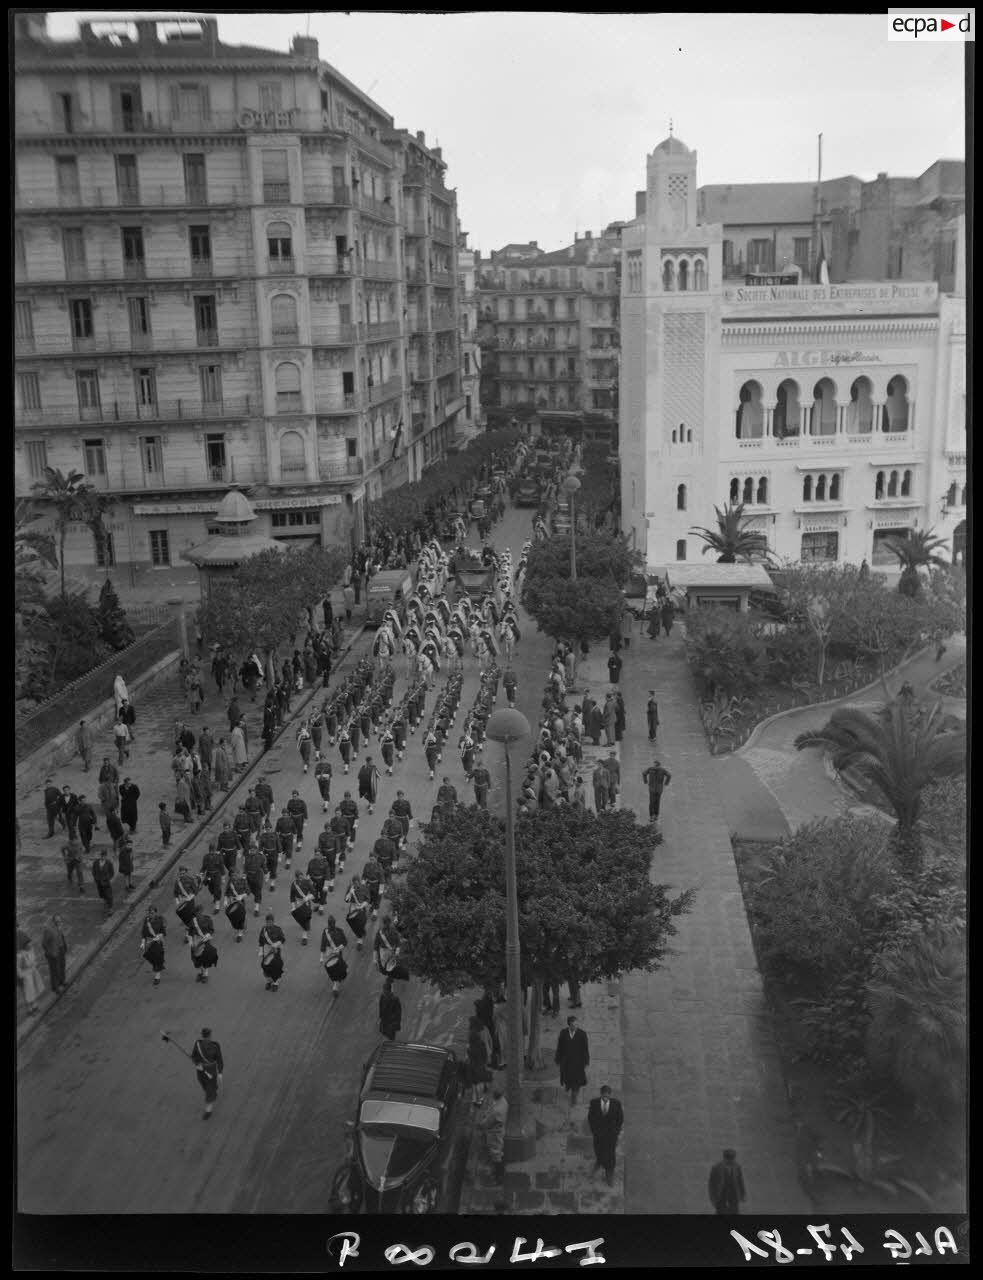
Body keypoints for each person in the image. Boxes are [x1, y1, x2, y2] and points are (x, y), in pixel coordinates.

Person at [587, 1085, 624, 1185]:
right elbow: (590, 1118)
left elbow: (620, 1119)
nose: (605, 1098)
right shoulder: (594, 1103)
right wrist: (594, 1131)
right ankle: (599, 1162)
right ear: (601, 1094)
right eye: (604, 1096)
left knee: (610, 1154)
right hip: (598, 1135)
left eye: (607, 1096)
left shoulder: (616, 1104)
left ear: (610, 1095)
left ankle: (609, 1173)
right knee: (598, 1150)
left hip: (611, 1136)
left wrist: (616, 1132)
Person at [555, 1015, 589, 1105]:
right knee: (567, 1077)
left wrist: (586, 1061)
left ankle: (574, 1096)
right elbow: (560, 1047)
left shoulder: (582, 1034)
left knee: (576, 1081)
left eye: (576, 1024)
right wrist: (558, 1059)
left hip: (578, 1062)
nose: (575, 1027)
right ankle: (568, 1086)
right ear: (569, 1025)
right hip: (566, 1062)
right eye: (573, 1025)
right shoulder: (563, 1033)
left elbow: (585, 1049)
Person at [191, 1028, 224, 1120]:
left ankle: (208, 1110)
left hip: (211, 1071)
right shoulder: (197, 1044)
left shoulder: (215, 1046)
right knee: (204, 1086)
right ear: (209, 1035)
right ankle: (214, 1089)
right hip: (201, 1071)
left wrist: (220, 1072)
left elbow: (219, 1060)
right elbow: (193, 1056)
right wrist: (197, 1064)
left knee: (209, 1090)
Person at [478, 1085, 509, 1182]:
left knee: (495, 1152)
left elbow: (487, 1123)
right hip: (499, 1130)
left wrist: (481, 1124)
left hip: (494, 1133)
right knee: (498, 1150)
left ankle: (498, 1177)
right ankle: (500, 1168)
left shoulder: (496, 1111)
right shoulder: (503, 1101)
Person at [708, 1148, 747, 1214]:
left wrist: (743, 1194)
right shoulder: (716, 1167)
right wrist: (712, 1198)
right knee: (721, 1212)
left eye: (732, 1159)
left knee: (734, 1211)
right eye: (728, 1159)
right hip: (721, 1195)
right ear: (724, 1158)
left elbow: (740, 1181)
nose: (731, 1161)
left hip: (733, 1194)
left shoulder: (737, 1167)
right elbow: (711, 1184)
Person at [17, 930, 45, 1015]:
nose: (31, 945)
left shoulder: (30, 951)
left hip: (31, 973)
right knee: (27, 993)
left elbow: (33, 960)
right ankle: (29, 1009)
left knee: (33, 990)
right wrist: (21, 976)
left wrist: (35, 965)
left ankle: (35, 1006)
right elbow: (18, 968)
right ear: (24, 946)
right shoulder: (19, 956)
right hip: (25, 976)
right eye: (28, 945)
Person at [320, 915, 349, 997]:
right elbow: (322, 944)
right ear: (328, 924)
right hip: (329, 953)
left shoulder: (340, 931)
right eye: (330, 924)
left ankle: (336, 985)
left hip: (338, 953)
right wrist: (321, 957)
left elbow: (345, 942)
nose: (331, 925)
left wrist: (339, 948)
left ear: (334, 923)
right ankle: (335, 986)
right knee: (333, 970)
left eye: (332, 924)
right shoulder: (325, 931)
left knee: (338, 969)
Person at [258, 912, 286, 991]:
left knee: (276, 966)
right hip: (267, 950)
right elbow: (260, 941)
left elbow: (282, 939)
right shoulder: (263, 930)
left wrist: (276, 944)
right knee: (265, 967)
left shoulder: (278, 929)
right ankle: (268, 981)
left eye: (270, 922)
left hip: (276, 950)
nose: (268, 923)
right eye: (267, 922)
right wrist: (260, 951)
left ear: (273, 922)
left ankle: (275, 983)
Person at [42, 915, 69, 994]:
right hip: (53, 952)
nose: (59, 922)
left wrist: (65, 947)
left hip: (61, 949)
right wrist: (49, 952)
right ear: (53, 921)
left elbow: (62, 937)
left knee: (62, 966)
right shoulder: (48, 930)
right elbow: (44, 944)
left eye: (60, 920)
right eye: (57, 921)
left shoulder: (60, 927)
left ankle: (62, 981)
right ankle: (55, 987)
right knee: (55, 970)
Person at [140, 904, 167, 986]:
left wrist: (158, 936)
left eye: (152, 912)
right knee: (148, 956)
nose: (150, 914)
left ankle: (157, 976)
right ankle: (158, 965)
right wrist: (142, 942)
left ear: (155, 913)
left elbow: (163, 932)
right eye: (149, 912)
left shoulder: (160, 920)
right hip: (149, 942)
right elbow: (143, 932)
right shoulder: (146, 920)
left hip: (157, 942)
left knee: (157, 957)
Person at [290, 868, 315, 945]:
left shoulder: (307, 882)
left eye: (300, 876)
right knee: (302, 918)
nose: (300, 878)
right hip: (299, 903)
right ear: (296, 877)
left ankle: (304, 937)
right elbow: (292, 897)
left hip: (306, 902)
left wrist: (307, 898)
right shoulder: (293, 885)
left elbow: (314, 893)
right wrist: (293, 906)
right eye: (298, 877)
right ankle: (306, 926)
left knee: (306, 918)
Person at [344, 876, 369, 950]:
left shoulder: (365, 888)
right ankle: (359, 938)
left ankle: (360, 940)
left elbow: (368, 899)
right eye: (354, 883)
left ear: (359, 881)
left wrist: (362, 906)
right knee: (354, 924)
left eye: (356, 883)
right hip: (353, 908)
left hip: (361, 907)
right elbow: (346, 900)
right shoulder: (350, 887)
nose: (355, 885)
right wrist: (350, 893)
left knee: (361, 923)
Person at [91, 848, 115, 916]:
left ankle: (110, 909)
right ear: (100, 856)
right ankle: (105, 906)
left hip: (106, 882)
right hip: (99, 882)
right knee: (102, 895)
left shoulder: (109, 863)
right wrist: (96, 877)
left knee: (109, 895)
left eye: (104, 856)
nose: (103, 857)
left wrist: (108, 878)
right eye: (102, 855)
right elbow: (93, 871)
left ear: (106, 856)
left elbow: (112, 872)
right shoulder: (96, 862)